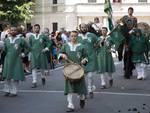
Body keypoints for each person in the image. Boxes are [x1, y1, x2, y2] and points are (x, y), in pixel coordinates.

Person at [58, 31, 87, 112]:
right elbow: (59, 53)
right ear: (69, 37)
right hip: (69, 70)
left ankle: (82, 98)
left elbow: (86, 57)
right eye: (72, 36)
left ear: (77, 37)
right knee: (69, 88)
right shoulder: (65, 46)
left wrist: (84, 60)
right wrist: (62, 55)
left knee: (80, 88)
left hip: (78, 69)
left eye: (75, 36)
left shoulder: (82, 46)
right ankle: (70, 105)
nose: (73, 37)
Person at [2, 25, 29, 97]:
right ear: (9, 31)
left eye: (15, 30)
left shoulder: (21, 39)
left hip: (17, 60)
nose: (13, 31)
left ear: (17, 31)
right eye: (12, 30)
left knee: (15, 76)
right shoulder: (6, 40)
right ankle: (7, 90)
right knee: (7, 76)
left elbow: (28, 47)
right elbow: (4, 50)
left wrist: (23, 54)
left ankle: (14, 91)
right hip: (8, 60)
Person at [77, 23, 97, 98]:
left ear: (87, 28)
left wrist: (99, 44)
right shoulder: (77, 37)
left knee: (90, 75)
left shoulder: (92, 35)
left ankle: (90, 90)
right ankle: (83, 91)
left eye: (85, 27)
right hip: (82, 59)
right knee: (82, 76)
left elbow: (98, 42)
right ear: (80, 28)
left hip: (91, 58)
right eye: (82, 27)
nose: (83, 28)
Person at [119, 7, 137, 79]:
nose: (130, 11)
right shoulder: (124, 17)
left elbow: (135, 27)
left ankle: (129, 69)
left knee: (131, 54)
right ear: (128, 11)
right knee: (125, 54)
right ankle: (125, 68)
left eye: (131, 10)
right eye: (129, 10)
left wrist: (132, 31)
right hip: (125, 36)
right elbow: (119, 23)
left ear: (132, 11)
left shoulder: (134, 18)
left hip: (131, 37)